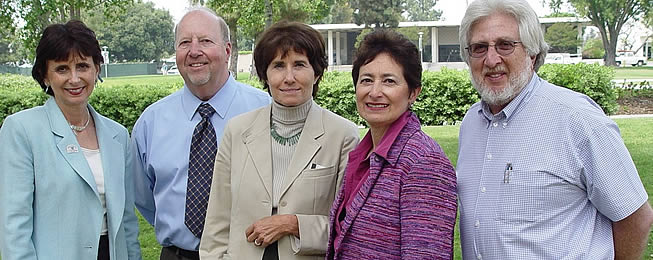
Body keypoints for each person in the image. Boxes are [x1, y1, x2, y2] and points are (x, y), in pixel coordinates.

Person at [456, 0, 653, 259]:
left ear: (532, 53)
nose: (492, 59)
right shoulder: (471, 123)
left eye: (505, 45)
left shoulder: (578, 119)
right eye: (479, 48)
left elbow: (634, 216)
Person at [199, 21, 359, 260]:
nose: (289, 77)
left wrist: (293, 224)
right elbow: (217, 219)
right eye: (279, 66)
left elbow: (349, 228)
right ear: (265, 74)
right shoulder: (237, 131)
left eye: (300, 65)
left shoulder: (342, 135)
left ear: (316, 73)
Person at [131, 7, 270, 260]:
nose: (194, 51)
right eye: (185, 43)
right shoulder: (150, 123)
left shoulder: (265, 111)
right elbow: (143, 197)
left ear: (227, 50)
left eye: (205, 41)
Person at [0, 20, 141, 260]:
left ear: (96, 70)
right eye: (62, 68)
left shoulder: (118, 135)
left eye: (83, 66)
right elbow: (14, 226)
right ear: (45, 76)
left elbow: (127, 221)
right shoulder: (21, 130)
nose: (74, 79)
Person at [326, 30, 457, 259]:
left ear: (413, 93)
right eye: (366, 80)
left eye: (389, 81)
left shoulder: (424, 163)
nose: (375, 92)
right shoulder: (364, 155)